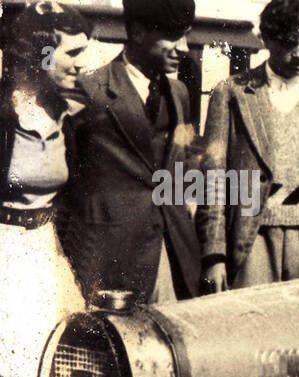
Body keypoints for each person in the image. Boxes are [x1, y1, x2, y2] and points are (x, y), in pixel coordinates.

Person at [197, 0, 299, 291]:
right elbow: (212, 179)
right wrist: (215, 254)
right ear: (268, 39)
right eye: (289, 43)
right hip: (251, 238)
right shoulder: (232, 92)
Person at [59, 0, 202, 302]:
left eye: (186, 35)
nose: (184, 47)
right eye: (173, 36)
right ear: (137, 32)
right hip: (110, 260)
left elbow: (182, 168)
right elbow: (66, 184)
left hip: (173, 256)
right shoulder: (89, 91)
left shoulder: (180, 93)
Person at [0, 1, 92, 377]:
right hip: (6, 253)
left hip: (47, 251)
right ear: (40, 52)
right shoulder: (4, 116)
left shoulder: (65, 113)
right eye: (71, 54)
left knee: (49, 370)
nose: (79, 66)